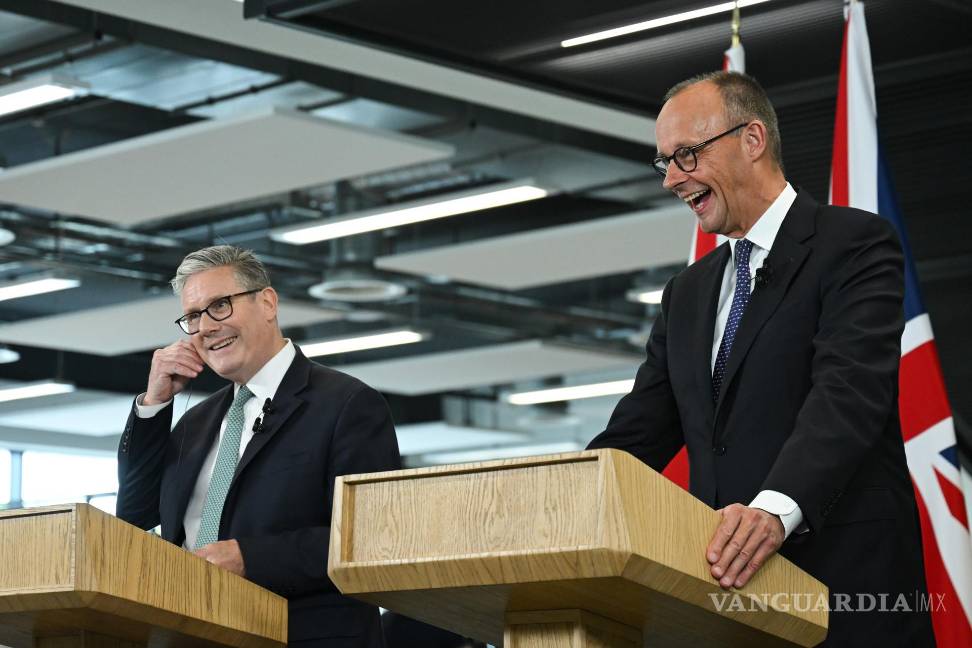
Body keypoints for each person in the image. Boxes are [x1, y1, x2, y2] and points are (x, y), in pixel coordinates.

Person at [587, 72, 934, 646]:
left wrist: (773, 511)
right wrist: (556, 497)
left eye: (686, 155)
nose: (672, 178)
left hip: (845, 593)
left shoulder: (853, 244)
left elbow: (847, 395)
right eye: (665, 163)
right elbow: (636, 435)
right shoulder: (688, 294)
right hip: (722, 603)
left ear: (752, 140)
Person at [116, 245, 401, 648]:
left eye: (220, 306)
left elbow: (372, 538)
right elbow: (134, 515)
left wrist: (250, 558)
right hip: (193, 633)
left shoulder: (347, 404)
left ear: (267, 302)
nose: (205, 327)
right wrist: (154, 404)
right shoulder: (195, 422)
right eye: (193, 316)